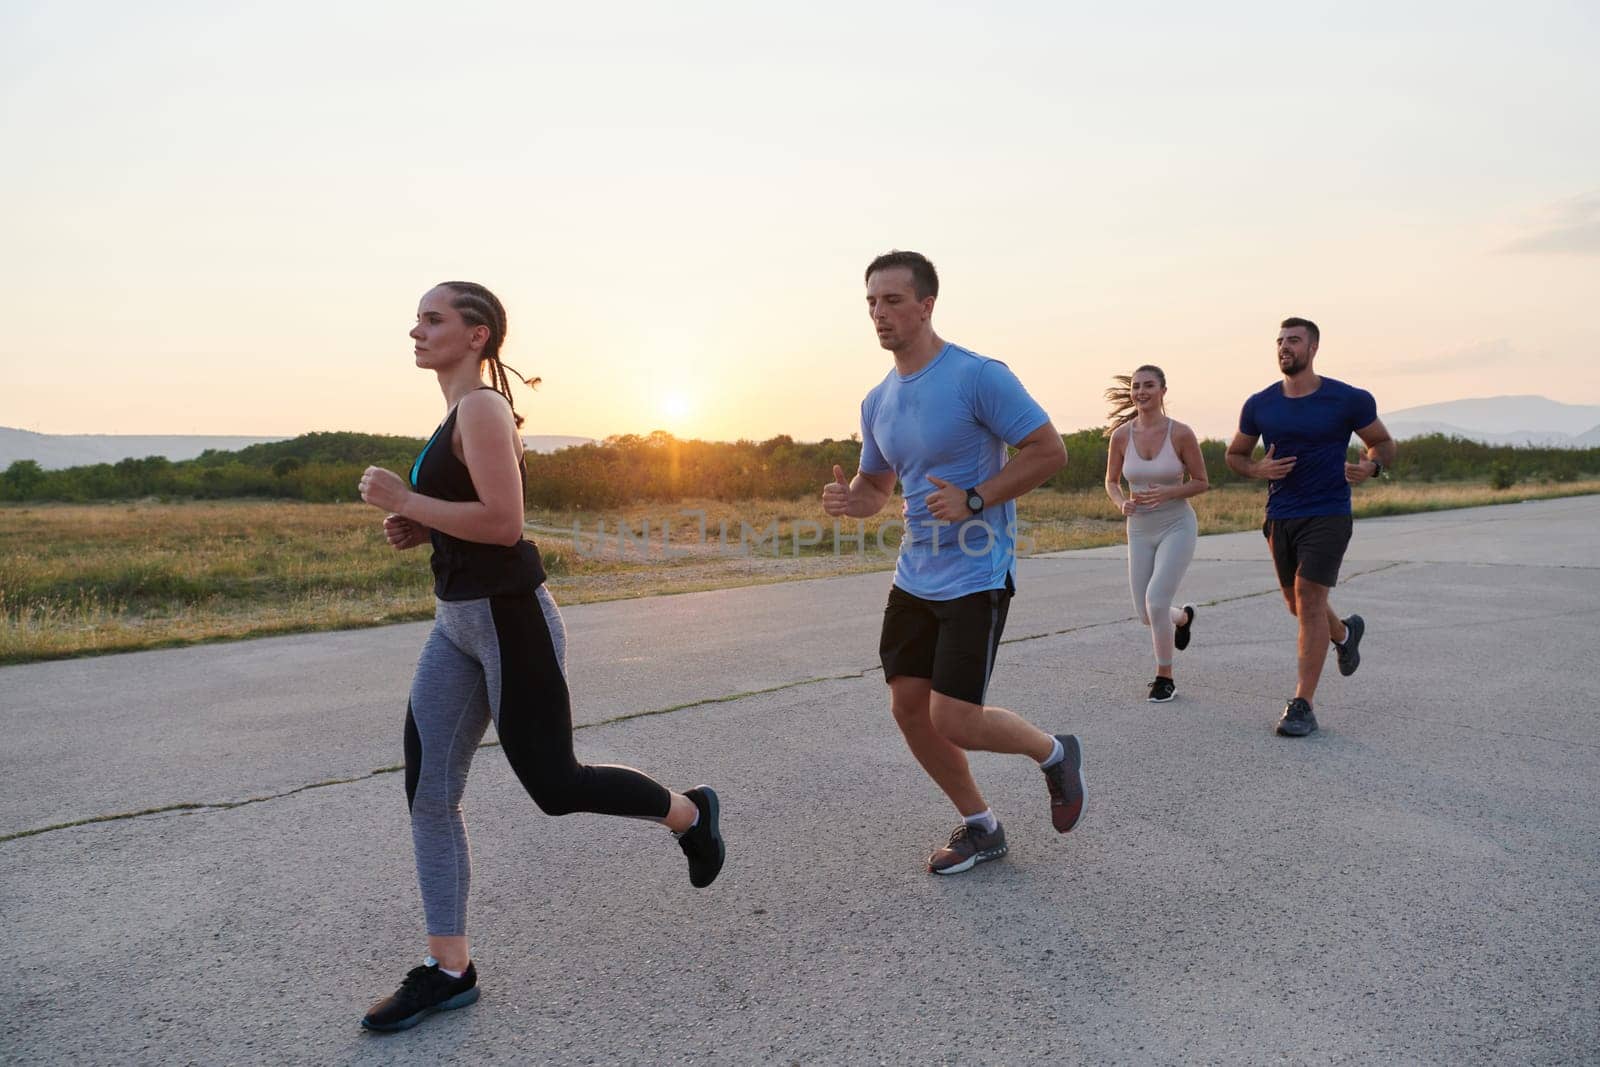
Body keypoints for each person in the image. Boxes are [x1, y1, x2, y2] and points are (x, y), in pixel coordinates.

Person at [355, 281, 725, 1032]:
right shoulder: (456, 414)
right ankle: (448, 969)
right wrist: (424, 528)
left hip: (511, 620)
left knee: (556, 785)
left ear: (478, 335)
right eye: (418, 319)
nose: (416, 331)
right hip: (457, 622)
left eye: (433, 319)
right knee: (429, 792)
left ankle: (689, 813)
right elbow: (472, 516)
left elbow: (504, 521)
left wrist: (408, 498)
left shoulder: (483, 409)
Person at [822, 250, 1085, 876]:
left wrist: (975, 498)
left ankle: (1054, 753)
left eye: (891, 301)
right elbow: (878, 488)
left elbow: (1050, 452)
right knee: (909, 708)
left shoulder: (976, 376)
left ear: (926, 305)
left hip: (977, 570)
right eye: (870, 304)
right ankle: (981, 826)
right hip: (915, 575)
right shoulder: (877, 400)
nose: (879, 315)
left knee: (955, 718)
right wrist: (849, 502)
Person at [1224, 317, 1396, 737]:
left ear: (1313, 348)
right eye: (1280, 341)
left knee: (1309, 597)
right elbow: (1235, 455)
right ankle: (1344, 633)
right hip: (1280, 514)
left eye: (1294, 341)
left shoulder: (1347, 398)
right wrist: (1256, 467)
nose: (1285, 347)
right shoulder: (1260, 403)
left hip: (1329, 511)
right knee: (1298, 607)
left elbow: (1384, 443)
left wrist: (1370, 466)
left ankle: (1303, 704)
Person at [1102, 365, 1209, 702]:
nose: (1141, 392)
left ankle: (1165, 677)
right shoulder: (1121, 436)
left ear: (1163, 390)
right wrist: (1120, 502)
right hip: (1140, 528)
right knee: (1147, 613)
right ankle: (1183, 618)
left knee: (1156, 600)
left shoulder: (1180, 434)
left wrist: (1167, 493)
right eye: (1136, 386)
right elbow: (1111, 481)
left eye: (1149, 385)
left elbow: (1202, 482)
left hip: (1176, 525)